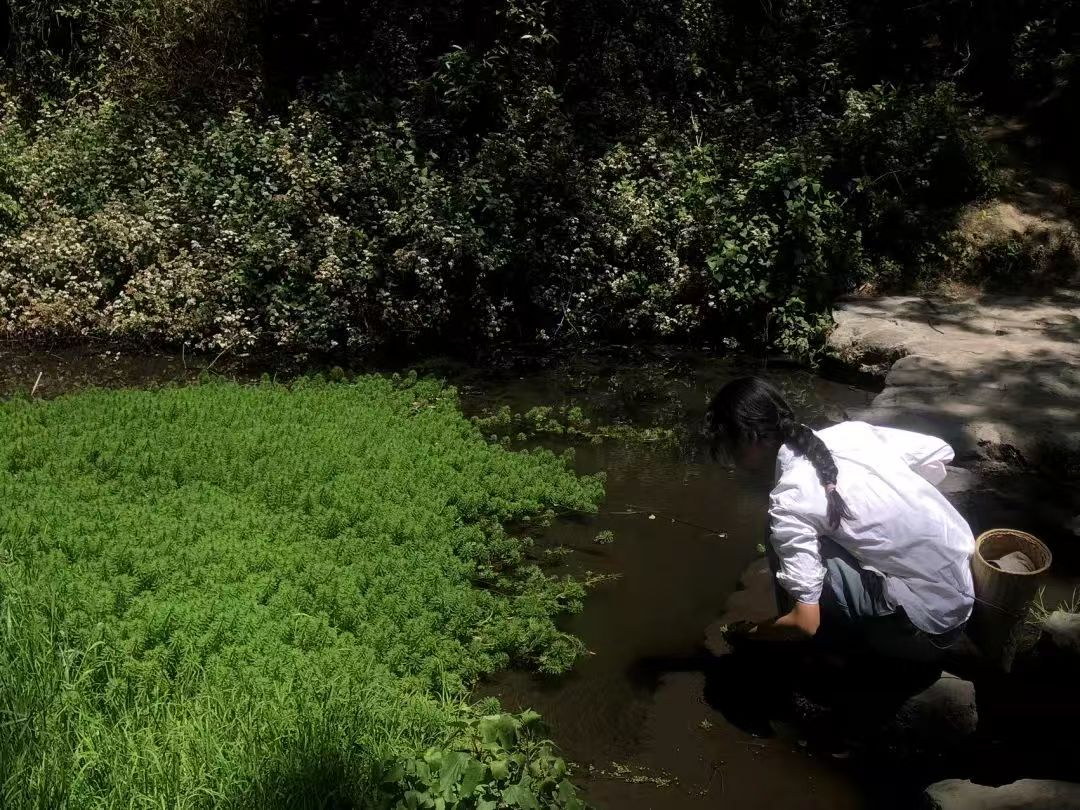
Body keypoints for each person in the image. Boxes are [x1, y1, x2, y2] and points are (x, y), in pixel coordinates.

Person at [705, 376, 975, 661]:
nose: (732, 460)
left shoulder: (789, 499)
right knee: (818, 538)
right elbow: (940, 454)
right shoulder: (851, 433)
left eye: (731, 447)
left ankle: (806, 653)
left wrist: (749, 633)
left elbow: (806, 624)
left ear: (750, 437)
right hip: (964, 588)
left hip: (927, 632)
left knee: (777, 539)